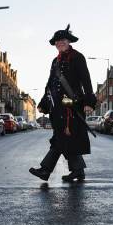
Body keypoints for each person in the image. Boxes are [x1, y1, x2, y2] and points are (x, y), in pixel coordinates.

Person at [29, 25, 96, 182]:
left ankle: (45, 170)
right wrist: (44, 103)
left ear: (69, 41)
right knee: (66, 138)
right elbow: (50, 84)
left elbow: (86, 81)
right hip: (58, 106)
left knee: (61, 137)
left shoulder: (78, 57)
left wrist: (89, 102)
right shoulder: (55, 61)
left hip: (71, 105)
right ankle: (78, 171)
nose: (60, 43)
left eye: (63, 40)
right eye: (57, 41)